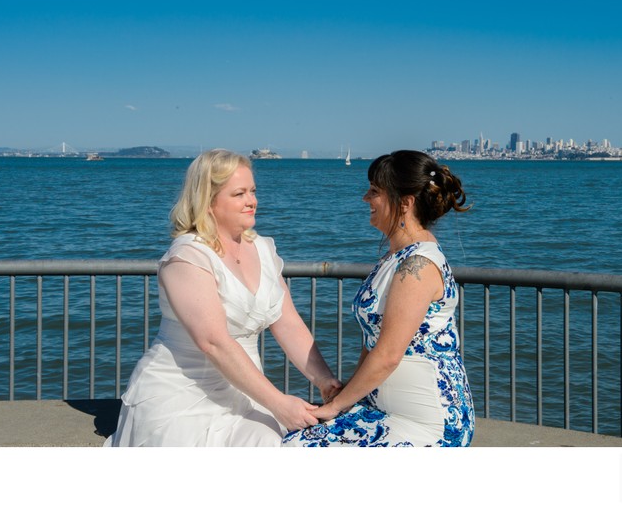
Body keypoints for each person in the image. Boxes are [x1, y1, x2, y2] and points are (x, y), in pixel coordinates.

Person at [106, 149, 342, 446]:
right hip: (183, 396)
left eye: (253, 191)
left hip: (246, 391)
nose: (252, 201)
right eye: (239, 194)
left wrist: (325, 381)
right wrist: (279, 404)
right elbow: (214, 342)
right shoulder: (188, 256)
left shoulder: (264, 249)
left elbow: (289, 323)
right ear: (208, 201)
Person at [282, 150, 475, 447]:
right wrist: (347, 394)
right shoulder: (394, 258)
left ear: (405, 203)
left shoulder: (418, 267)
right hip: (385, 409)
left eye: (374, 191)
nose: (365, 198)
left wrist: (335, 407)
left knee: (298, 446)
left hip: (428, 421)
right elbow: (372, 344)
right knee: (289, 435)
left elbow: (387, 355)